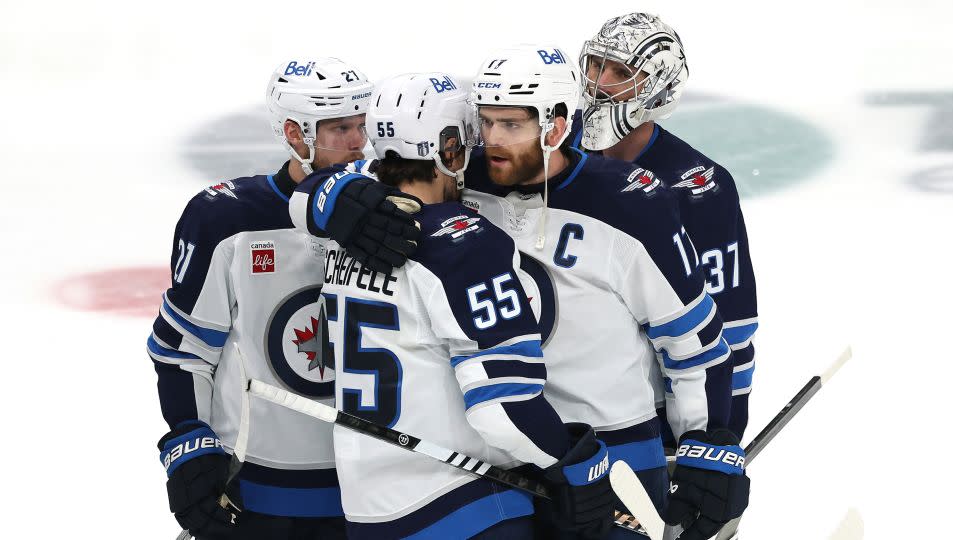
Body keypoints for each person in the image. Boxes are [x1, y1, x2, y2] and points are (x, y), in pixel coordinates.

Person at [294, 46, 750, 540]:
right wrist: (338, 200)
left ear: (555, 127)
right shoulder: (459, 180)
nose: (491, 140)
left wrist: (708, 443)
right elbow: (313, 192)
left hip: (612, 462)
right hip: (506, 462)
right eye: (484, 122)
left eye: (511, 125)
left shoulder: (632, 205)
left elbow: (694, 343)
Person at [292, 72, 614, 540]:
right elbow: (502, 409)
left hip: (367, 510)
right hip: (464, 506)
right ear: (449, 150)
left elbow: (315, 191)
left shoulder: (347, 238)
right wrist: (574, 461)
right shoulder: (465, 243)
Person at [148, 57, 379, 540]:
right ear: (296, 134)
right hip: (254, 490)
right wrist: (190, 447)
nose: (359, 142)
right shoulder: (226, 220)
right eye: (340, 128)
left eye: (363, 124)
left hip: (375, 490)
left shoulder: (391, 215)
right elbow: (183, 352)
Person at [575, 12, 759, 445]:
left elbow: (726, 329)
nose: (600, 82)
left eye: (621, 71)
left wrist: (717, 438)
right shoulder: (550, 149)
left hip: (644, 417)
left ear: (658, 86)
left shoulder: (698, 188)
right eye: (596, 64)